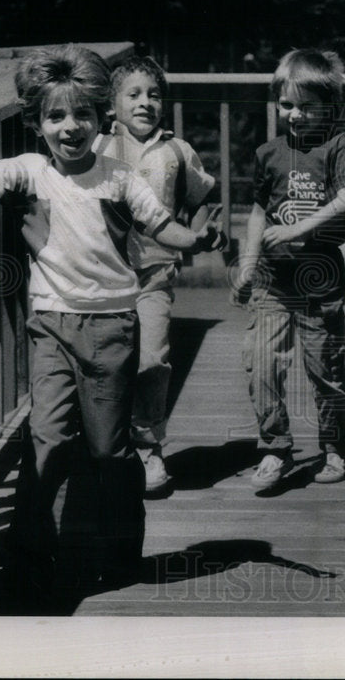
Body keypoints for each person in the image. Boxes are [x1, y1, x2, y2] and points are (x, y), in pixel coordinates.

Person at [0, 45, 225, 605]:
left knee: (108, 451)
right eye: (55, 116)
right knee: (48, 439)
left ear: (100, 118)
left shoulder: (121, 176)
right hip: (51, 323)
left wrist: (196, 237)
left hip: (112, 329)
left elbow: (162, 228)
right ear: (35, 123)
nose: (70, 127)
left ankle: (122, 549)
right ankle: (30, 553)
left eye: (82, 114)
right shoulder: (30, 172)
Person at [233, 49, 345, 492]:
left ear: (330, 106)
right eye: (287, 104)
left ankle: (333, 443)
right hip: (272, 283)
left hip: (320, 284)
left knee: (325, 368)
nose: (295, 114)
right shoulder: (269, 153)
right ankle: (275, 445)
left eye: (307, 106)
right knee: (261, 363)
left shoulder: (340, 146)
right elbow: (257, 210)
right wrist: (248, 264)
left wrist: (296, 230)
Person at [97, 56, 220, 496]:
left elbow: (202, 195)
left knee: (152, 359)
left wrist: (200, 232)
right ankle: (105, 448)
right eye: (133, 94)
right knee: (107, 363)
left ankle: (148, 446)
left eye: (154, 94)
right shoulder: (98, 148)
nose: (145, 102)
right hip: (104, 277)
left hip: (155, 273)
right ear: (112, 106)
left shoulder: (177, 150)